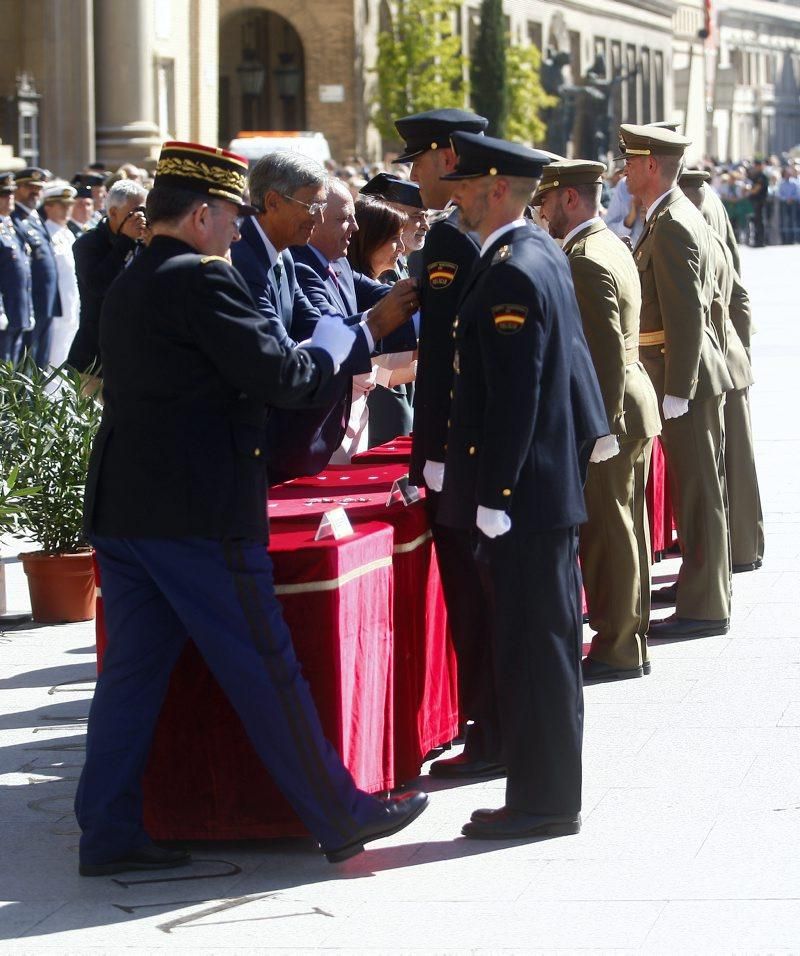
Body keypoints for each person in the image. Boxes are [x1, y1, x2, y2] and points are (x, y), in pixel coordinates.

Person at [74, 139, 428, 878]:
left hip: (127, 510)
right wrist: (339, 344)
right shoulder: (205, 282)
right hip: (197, 516)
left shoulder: (135, 278)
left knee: (132, 678)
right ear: (201, 215)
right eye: (232, 217)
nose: (239, 231)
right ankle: (341, 812)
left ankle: (106, 831)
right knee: (268, 666)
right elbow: (286, 379)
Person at [436, 131, 606, 839]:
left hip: (525, 500)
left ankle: (540, 804)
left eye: (467, 183)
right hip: (544, 491)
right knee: (545, 646)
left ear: (497, 187)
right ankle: (544, 794)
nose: (457, 195)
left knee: (534, 651)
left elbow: (517, 393)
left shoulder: (511, 266)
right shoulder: (536, 251)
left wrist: (495, 498)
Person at [394, 107, 505, 779]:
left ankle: (490, 734)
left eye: (415, 160)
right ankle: (493, 725)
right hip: (477, 445)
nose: (413, 175)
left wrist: (428, 455)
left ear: (443, 157)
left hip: (458, 449)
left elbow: (439, 360)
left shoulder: (449, 246)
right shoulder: (471, 236)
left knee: (472, 596)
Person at [535, 160, 662, 684]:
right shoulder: (607, 242)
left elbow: (604, 352)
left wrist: (601, 427)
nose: (541, 214)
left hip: (615, 411)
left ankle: (617, 646)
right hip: (634, 402)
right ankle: (629, 636)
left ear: (569, 199)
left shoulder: (584, 257)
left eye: (545, 202)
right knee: (627, 528)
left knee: (611, 535)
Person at [231, 152, 418, 483]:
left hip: (285, 439)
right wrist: (374, 325)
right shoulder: (245, 261)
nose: (315, 219)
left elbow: (317, 326)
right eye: (311, 207)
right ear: (273, 202)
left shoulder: (282, 256)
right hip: (254, 443)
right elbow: (283, 353)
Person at [620, 123, 733, 639]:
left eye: (629, 161)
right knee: (697, 488)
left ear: (650, 165)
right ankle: (700, 586)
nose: (623, 171)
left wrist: (678, 390)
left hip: (681, 373)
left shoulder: (671, 223)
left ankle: (706, 605)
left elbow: (686, 314)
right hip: (679, 370)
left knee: (697, 490)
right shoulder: (667, 215)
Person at [290, 180, 416, 464]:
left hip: (349, 421)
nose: (354, 228)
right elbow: (327, 329)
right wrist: (378, 322)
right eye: (343, 219)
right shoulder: (301, 265)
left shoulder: (339, 263)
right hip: (318, 426)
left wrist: (440, 299)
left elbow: (383, 295)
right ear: (314, 219)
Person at [679, 168, 764, 574]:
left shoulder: (689, 219)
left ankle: (735, 556)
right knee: (737, 466)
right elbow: (739, 289)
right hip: (730, 350)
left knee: (723, 469)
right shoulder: (710, 204)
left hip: (718, 353)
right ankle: (744, 549)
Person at [360, 173, 428, 445]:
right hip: (381, 392)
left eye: (426, 217)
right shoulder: (373, 272)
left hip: (401, 382)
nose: (424, 225)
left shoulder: (401, 263)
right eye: (415, 216)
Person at [67, 178, 148, 390]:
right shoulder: (88, 244)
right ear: (113, 213)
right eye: (135, 212)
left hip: (135, 357)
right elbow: (98, 285)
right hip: (95, 358)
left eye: (145, 211)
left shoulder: (146, 243)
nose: (141, 219)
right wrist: (126, 242)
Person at [11, 167, 60, 367]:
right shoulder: (14, 219)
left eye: (38, 188)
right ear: (16, 190)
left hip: (47, 301)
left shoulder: (34, 217)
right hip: (33, 301)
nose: (35, 192)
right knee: (27, 366)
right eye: (29, 187)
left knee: (41, 363)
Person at [40, 181, 81, 367]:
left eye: (69, 205)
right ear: (48, 206)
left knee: (66, 357)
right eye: (61, 205)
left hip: (71, 304)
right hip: (56, 308)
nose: (67, 210)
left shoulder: (68, 234)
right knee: (52, 360)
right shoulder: (45, 234)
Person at [0, 172, 33, 364]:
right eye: (4, 194)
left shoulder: (10, 227)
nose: (10, 198)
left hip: (18, 310)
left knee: (13, 369)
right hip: (5, 312)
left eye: (11, 193)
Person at [749, 159, 769, 247]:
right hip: (757, 201)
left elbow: (756, 189)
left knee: (759, 221)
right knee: (757, 221)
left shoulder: (761, 176)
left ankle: (760, 241)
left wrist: (747, 190)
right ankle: (758, 241)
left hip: (759, 201)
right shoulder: (757, 175)